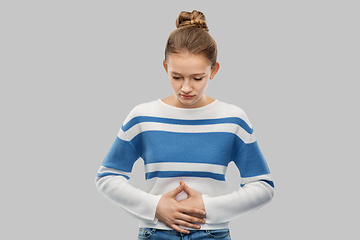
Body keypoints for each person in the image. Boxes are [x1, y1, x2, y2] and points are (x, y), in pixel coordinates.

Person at [95, 10, 274, 240]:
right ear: (165, 67)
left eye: (197, 78)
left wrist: (208, 208)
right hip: (156, 233)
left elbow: (263, 185)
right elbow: (107, 176)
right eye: (176, 76)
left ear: (214, 70)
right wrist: (155, 206)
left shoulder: (233, 118)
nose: (186, 88)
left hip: (212, 234)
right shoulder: (142, 116)